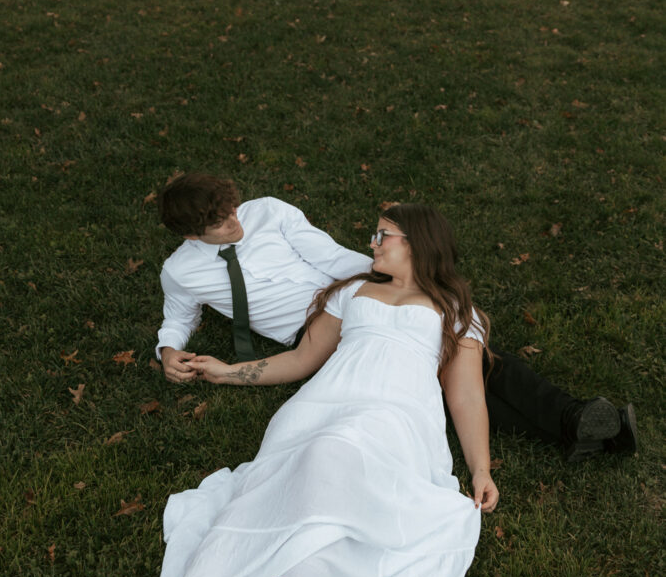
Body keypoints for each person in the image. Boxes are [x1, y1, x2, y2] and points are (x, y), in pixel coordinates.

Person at [108, 204, 498, 577]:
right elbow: (302, 360)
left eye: (384, 235)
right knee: (262, 492)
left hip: (395, 423)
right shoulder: (351, 290)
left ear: (419, 242)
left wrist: (481, 467)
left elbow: (468, 395)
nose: (374, 242)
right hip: (318, 410)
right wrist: (229, 373)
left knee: (329, 468)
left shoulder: (457, 310)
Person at [155, 174, 637, 461]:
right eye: (221, 223)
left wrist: (398, 285)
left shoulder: (269, 213)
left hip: (350, 293)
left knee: (460, 359)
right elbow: (177, 317)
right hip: (313, 334)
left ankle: (576, 422)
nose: (236, 221)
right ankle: (576, 424)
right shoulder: (180, 271)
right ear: (194, 236)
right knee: (441, 374)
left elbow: (327, 255)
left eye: (233, 209)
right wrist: (169, 350)